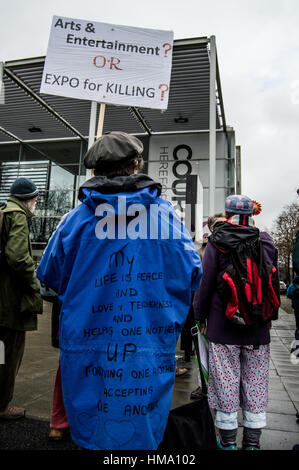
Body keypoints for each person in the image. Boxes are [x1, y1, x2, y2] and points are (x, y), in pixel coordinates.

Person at [36, 131, 202, 450]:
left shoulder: (75, 220)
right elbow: (193, 271)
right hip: (148, 346)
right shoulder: (165, 218)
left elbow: (49, 275)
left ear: (95, 171)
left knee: (92, 430)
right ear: (136, 164)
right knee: (138, 434)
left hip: (88, 344)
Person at [193, 195, 279, 450]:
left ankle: (227, 441)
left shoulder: (217, 242)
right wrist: (269, 318)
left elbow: (205, 284)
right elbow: (271, 282)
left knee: (225, 382)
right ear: (252, 214)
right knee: (255, 383)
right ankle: (252, 442)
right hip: (258, 330)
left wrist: (200, 317)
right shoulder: (265, 241)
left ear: (228, 214)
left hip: (223, 327)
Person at [0, 177, 43, 419]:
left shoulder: (3, 211)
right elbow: (17, 257)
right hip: (10, 303)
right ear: (29, 199)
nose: (36, 202)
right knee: (8, 354)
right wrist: (32, 282)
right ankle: (3, 405)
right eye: (35, 198)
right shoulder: (18, 216)